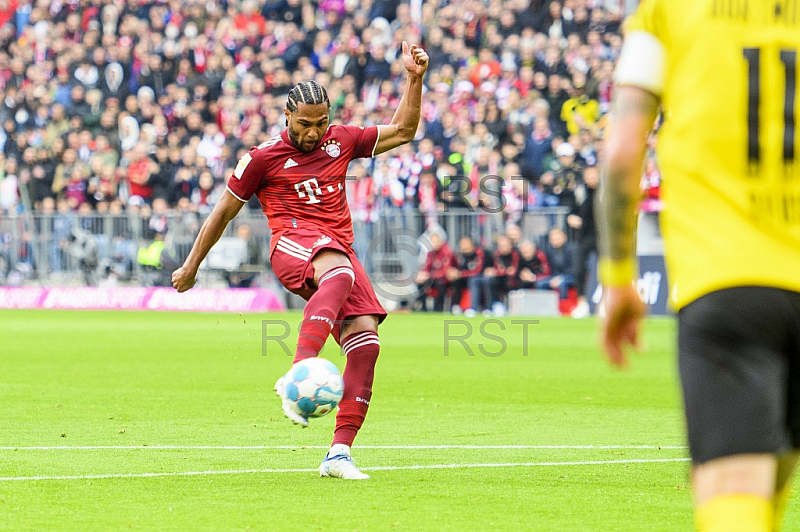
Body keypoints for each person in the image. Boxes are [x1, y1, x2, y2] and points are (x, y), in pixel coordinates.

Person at [172, 42, 429, 481]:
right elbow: (223, 212)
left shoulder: (342, 140)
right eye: (305, 124)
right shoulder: (261, 158)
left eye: (321, 123)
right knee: (341, 269)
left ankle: (338, 454)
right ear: (287, 117)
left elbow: (403, 131)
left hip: (337, 252)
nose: (314, 133)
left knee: (366, 344)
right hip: (293, 245)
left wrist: (414, 78)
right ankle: (299, 371)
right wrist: (193, 264)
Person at [597, 2, 800, 530]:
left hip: (728, 281)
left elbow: (622, 152)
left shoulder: (670, 9)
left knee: (738, 490)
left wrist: (617, 279)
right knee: (775, 481)